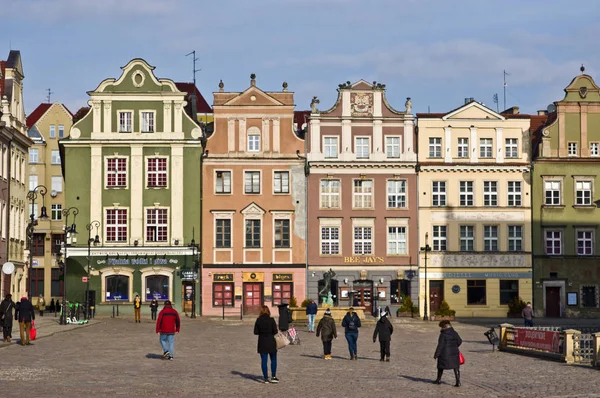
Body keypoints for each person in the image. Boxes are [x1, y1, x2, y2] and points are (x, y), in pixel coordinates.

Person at [253, 305, 279, 384]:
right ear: (268, 311)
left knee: (264, 361)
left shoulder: (258, 320)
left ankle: (265, 378)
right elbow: (275, 331)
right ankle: (273, 377)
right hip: (271, 342)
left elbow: (255, 332)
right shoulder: (271, 320)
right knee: (273, 360)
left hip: (262, 342)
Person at [433, 320, 462, 387]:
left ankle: (438, 380)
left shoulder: (443, 335)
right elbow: (460, 341)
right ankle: (458, 382)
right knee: (456, 367)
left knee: (440, 366)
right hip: (454, 352)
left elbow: (440, 346)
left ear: (443, 327)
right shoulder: (455, 333)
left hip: (444, 353)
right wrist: (454, 346)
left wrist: (436, 355)